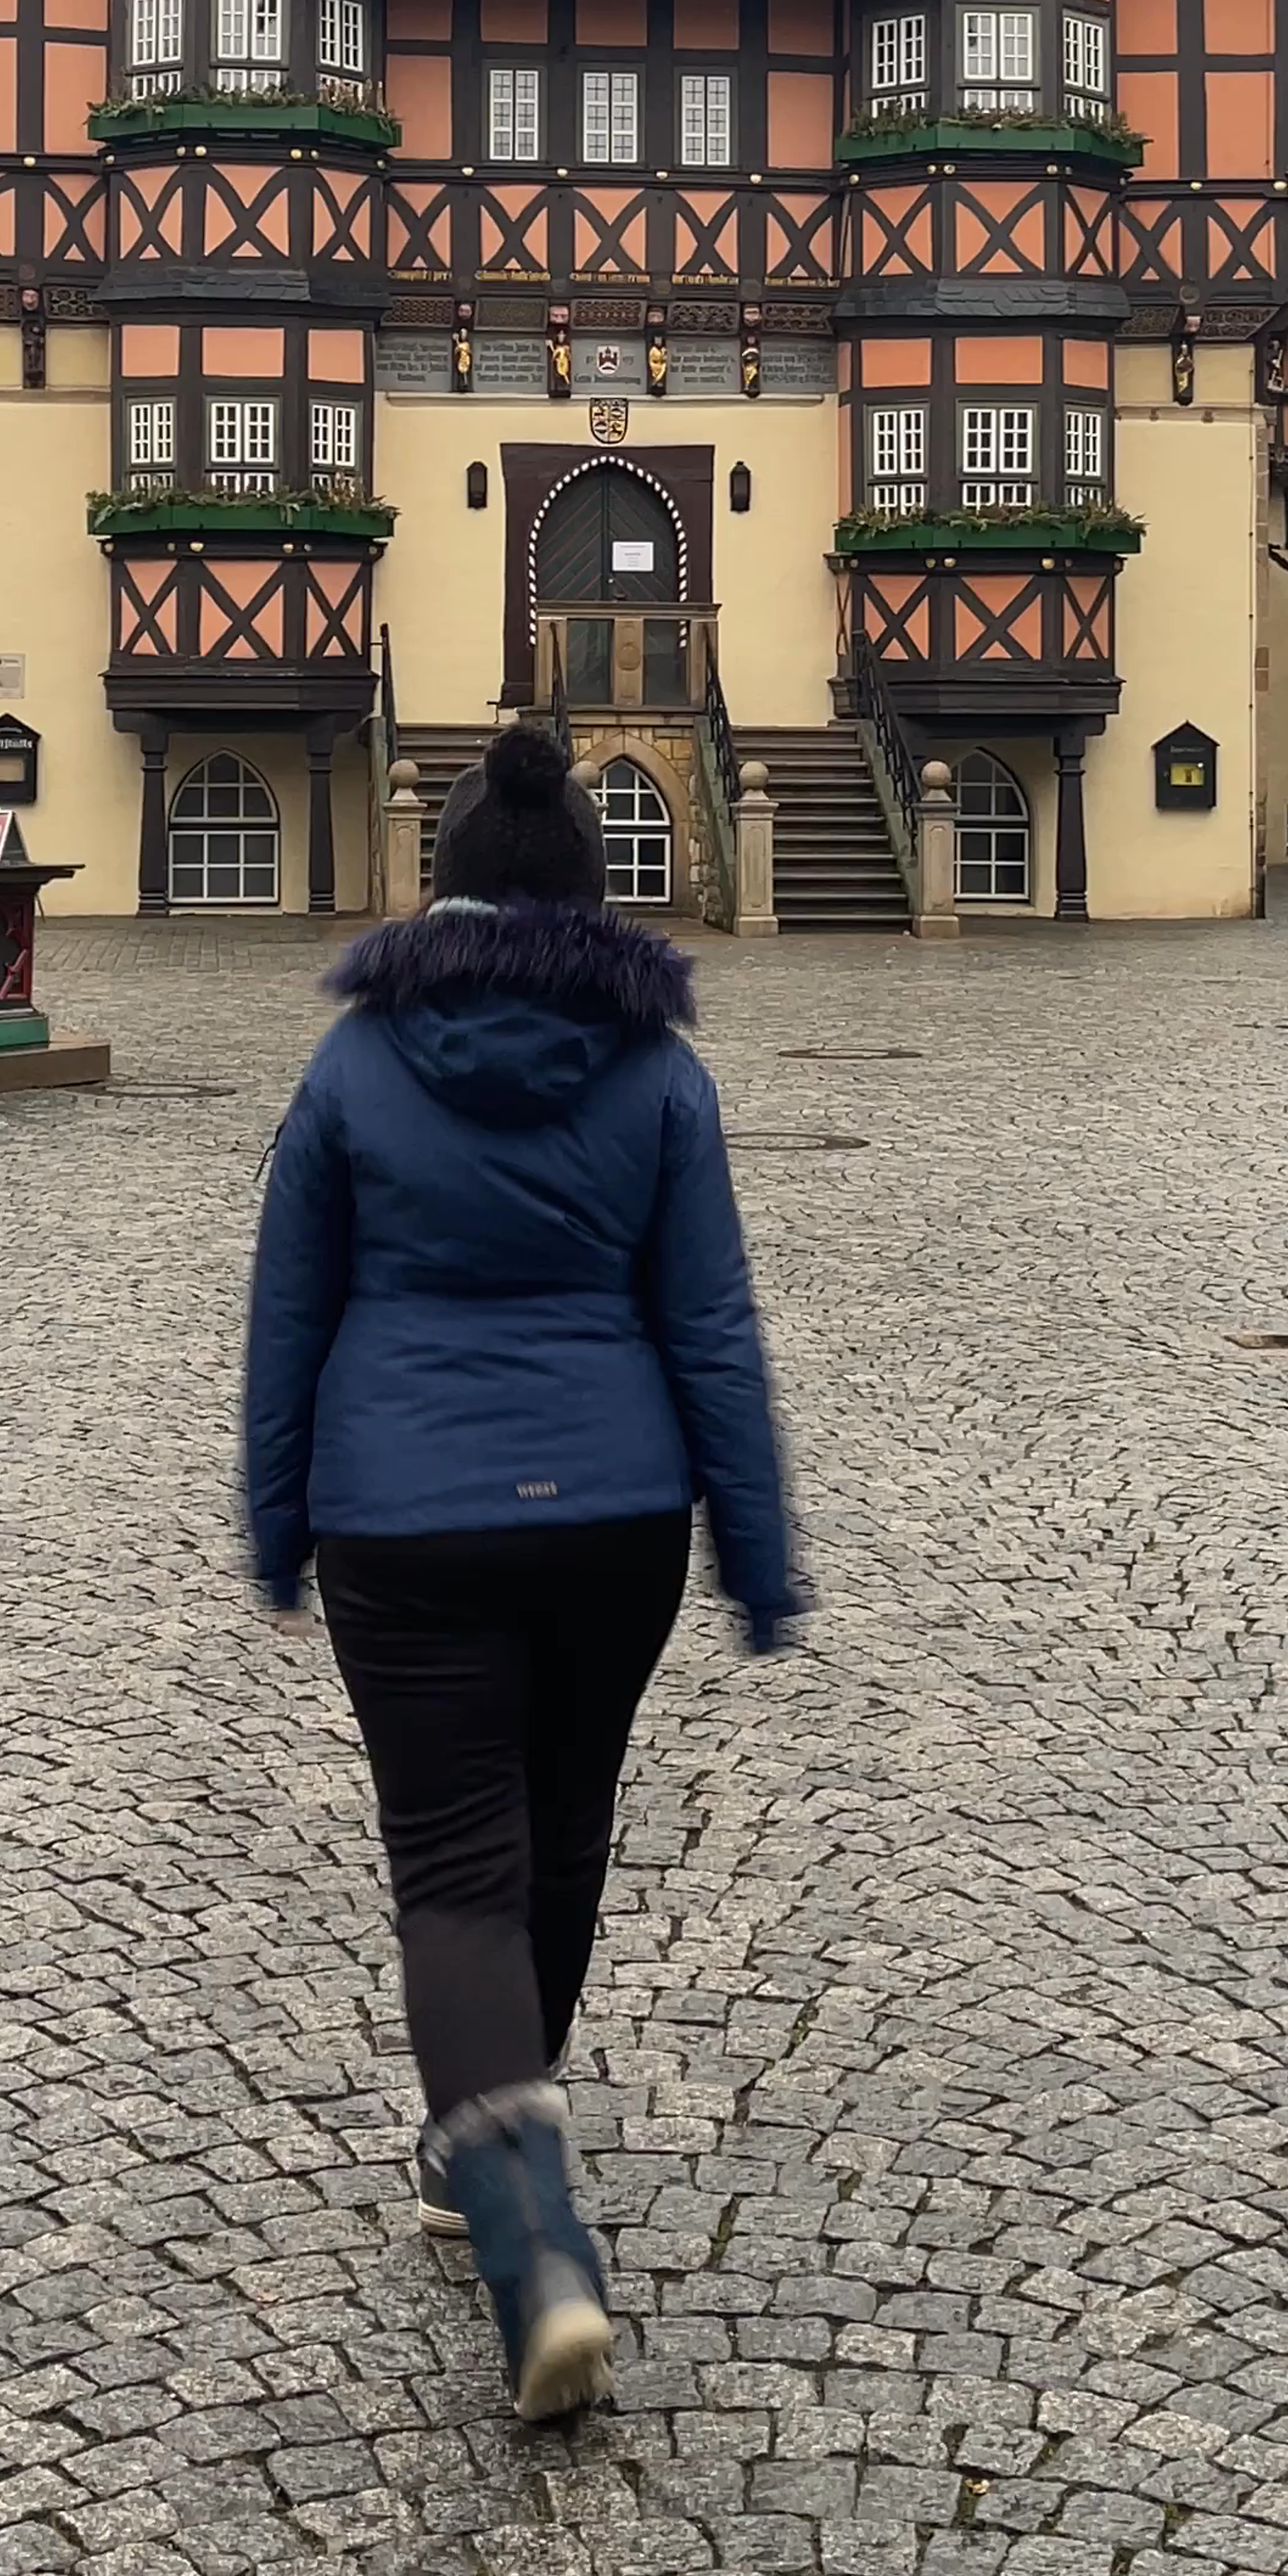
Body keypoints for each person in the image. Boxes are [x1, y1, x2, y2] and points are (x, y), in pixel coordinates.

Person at [242, 722, 801, 2420]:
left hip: (405, 1518)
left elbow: (292, 1307)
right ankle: (486, 2139)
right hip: (612, 1513)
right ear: (588, 888)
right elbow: (709, 1321)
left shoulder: (352, 1065)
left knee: (456, 1867)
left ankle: (526, 2222)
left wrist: (278, 1514)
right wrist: (757, 1541)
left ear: (444, 886)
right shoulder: (659, 1073)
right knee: (561, 1831)